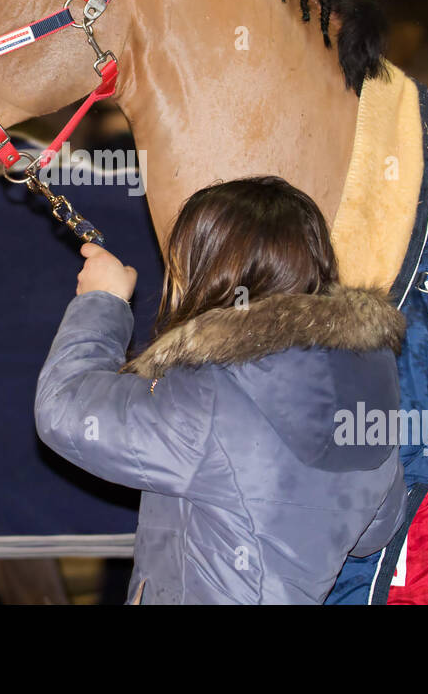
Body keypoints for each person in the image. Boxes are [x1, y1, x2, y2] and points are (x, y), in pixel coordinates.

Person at [34, 176, 408, 604]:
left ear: (213, 273)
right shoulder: (373, 389)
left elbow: (62, 409)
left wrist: (102, 301)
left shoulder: (213, 392)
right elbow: (376, 532)